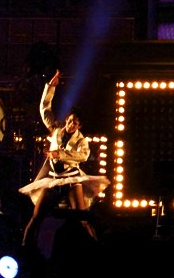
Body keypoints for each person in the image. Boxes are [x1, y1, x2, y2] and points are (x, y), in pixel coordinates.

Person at [19, 72, 109, 247]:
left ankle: (95, 247)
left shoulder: (82, 140)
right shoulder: (56, 129)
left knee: (81, 218)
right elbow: (45, 109)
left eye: (75, 123)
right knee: (37, 217)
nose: (71, 124)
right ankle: (24, 246)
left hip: (71, 179)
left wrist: (59, 154)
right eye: (69, 121)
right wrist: (50, 86)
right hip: (53, 179)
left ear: (79, 125)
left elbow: (82, 156)